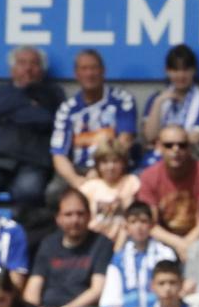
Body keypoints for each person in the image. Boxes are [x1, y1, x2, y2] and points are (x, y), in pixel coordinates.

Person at [0, 46, 62, 210]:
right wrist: (27, 103)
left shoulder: (52, 94)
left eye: (34, 64)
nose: (28, 68)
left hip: (31, 163)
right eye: (22, 63)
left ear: (42, 70)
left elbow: (45, 118)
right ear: (12, 69)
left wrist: (7, 112)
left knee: (29, 192)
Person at [48, 50, 138, 210]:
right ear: (76, 74)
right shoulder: (68, 109)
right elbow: (58, 155)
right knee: (54, 192)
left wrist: (100, 170)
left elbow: (125, 141)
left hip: (113, 165)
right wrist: (76, 180)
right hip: (79, 169)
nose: (89, 74)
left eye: (94, 68)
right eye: (84, 69)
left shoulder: (121, 100)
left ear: (103, 71)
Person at [100, 201, 178, 307]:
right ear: (126, 226)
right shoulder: (119, 259)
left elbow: (171, 290)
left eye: (143, 221)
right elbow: (113, 297)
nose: (139, 227)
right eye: (133, 222)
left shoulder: (165, 254)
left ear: (151, 225)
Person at [136, 126, 199, 253]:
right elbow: (150, 224)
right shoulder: (148, 176)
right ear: (159, 147)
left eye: (182, 145)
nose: (176, 149)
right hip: (162, 242)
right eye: (169, 145)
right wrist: (180, 244)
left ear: (189, 147)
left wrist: (187, 245)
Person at [139, 44, 199, 165]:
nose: (181, 75)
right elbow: (149, 136)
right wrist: (159, 102)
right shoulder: (157, 98)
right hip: (158, 158)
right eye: (175, 70)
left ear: (194, 70)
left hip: (191, 157)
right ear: (167, 71)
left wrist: (165, 143)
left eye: (185, 70)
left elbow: (196, 138)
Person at [79, 140, 141, 244]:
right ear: (98, 165)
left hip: (125, 240)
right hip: (94, 242)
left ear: (123, 163)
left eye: (115, 161)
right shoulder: (88, 187)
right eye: (105, 162)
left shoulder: (132, 181)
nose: (110, 167)